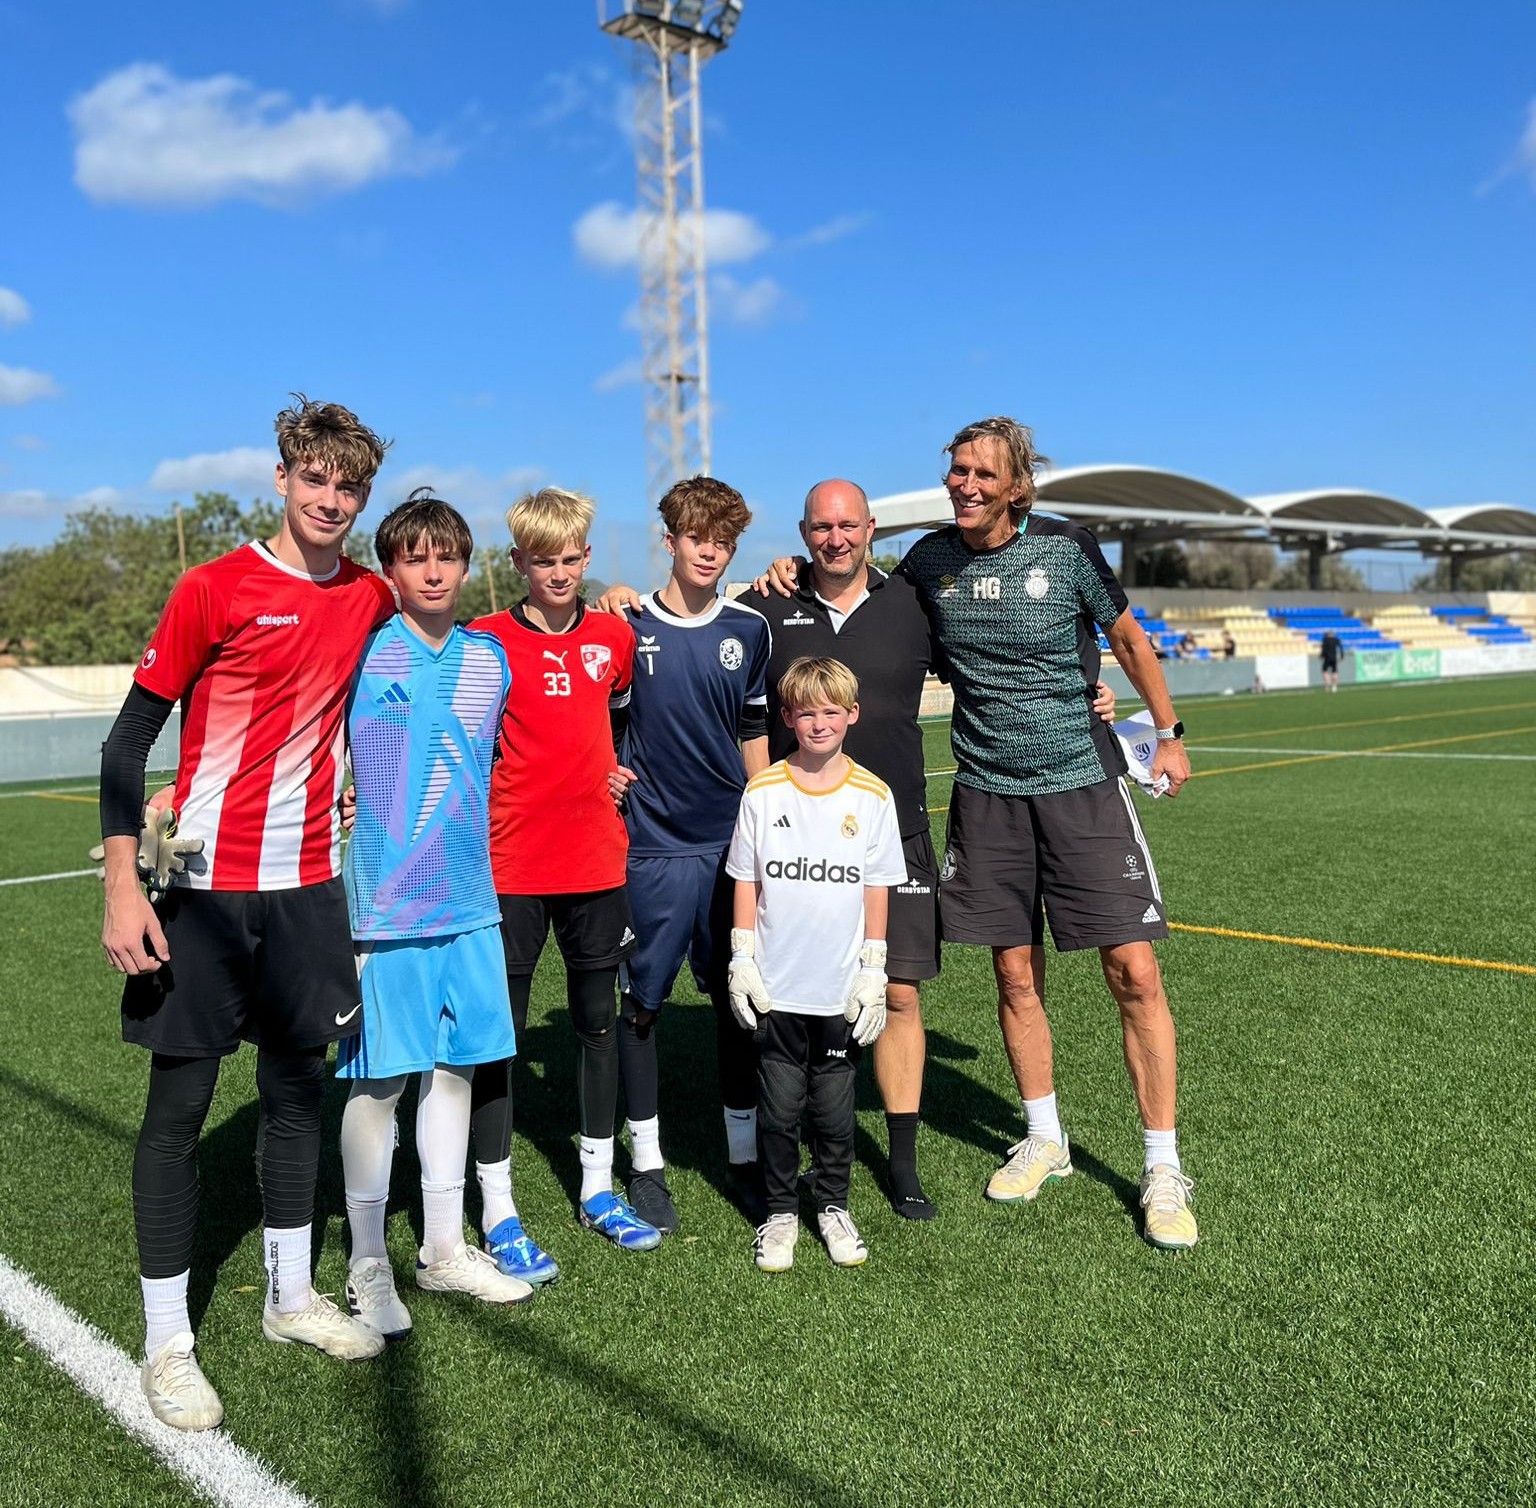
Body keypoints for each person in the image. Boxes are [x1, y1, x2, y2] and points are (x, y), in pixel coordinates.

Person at [99, 397, 393, 1432]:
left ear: (362, 494)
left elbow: (435, 640)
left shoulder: (368, 594)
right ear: (281, 479)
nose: (328, 498)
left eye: (347, 485)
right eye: (312, 479)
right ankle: (167, 1341)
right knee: (178, 1112)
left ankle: (288, 1294)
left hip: (311, 887)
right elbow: (126, 743)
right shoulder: (212, 586)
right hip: (203, 890)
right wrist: (123, 882)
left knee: (295, 1094)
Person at [739, 480, 1121, 1220]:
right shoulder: (766, 607)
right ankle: (782, 1155)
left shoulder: (914, 600)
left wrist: (1092, 688)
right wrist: (627, 596)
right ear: (803, 533)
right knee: (786, 998)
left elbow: (1009, 658)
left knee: (900, 994)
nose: (836, 539)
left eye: (849, 525)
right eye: (821, 527)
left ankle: (903, 1166)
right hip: (795, 839)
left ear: (872, 530)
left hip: (895, 829)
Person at [897, 416, 1198, 1250]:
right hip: (987, 794)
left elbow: (1128, 639)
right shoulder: (928, 560)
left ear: (1019, 486)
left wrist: (1169, 733)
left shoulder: (1068, 548)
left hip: (1083, 789)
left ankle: (1162, 1166)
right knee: (1014, 973)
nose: (964, 484)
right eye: (956, 470)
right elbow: (864, 611)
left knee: (1134, 972)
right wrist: (787, 571)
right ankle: (1045, 1138)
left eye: (982, 474)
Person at [337, 491, 535, 1338]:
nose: (431, 570)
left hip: (470, 904)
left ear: (464, 563)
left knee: (456, 1070)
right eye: (413, 556)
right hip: (381, 910)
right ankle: (367, 1263)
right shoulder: (361, 651)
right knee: (379, 1081)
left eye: (445, 555)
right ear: (390, 570)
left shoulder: (490, 658)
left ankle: (445, 1249)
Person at [469, 487, 661, 1259]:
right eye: (541, 560)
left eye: (570, 558)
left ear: (587, 556)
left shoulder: (613, 639)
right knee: (500, 1036)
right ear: (518, 562)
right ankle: (498, 1207)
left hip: (594, 863)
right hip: (511, 867)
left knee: (597, 1026)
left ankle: (597, 1188)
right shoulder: (484, 641)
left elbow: (620, 718)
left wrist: (616, 767)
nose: (557, 572)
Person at [607, 476, 772, 1235]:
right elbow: (602, 729)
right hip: (652, 849)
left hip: (730, 846)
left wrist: (769, 827)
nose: (709, 550)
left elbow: (752, 737)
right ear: (669, 540)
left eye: (723, 540)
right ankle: (646, 1164)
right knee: (640, 1007)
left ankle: (743, 1156)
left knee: (736, 1000)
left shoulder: (751, 629)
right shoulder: (627, 626)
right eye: (696, 536)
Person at [725, 657, 907, 1271]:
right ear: (788, 717)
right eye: (807, 711)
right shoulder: (764, 789)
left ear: (852, 716)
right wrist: (741, 957)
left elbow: (876, 886)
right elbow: (746, 878)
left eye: (833, 710)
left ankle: (831, 1203)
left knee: (832, 1108)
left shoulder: (873, 795)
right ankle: (779, 1212)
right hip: (777, 986)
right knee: (778, 1108)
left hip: (839, 987)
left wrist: (874, 967)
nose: (820, 722)